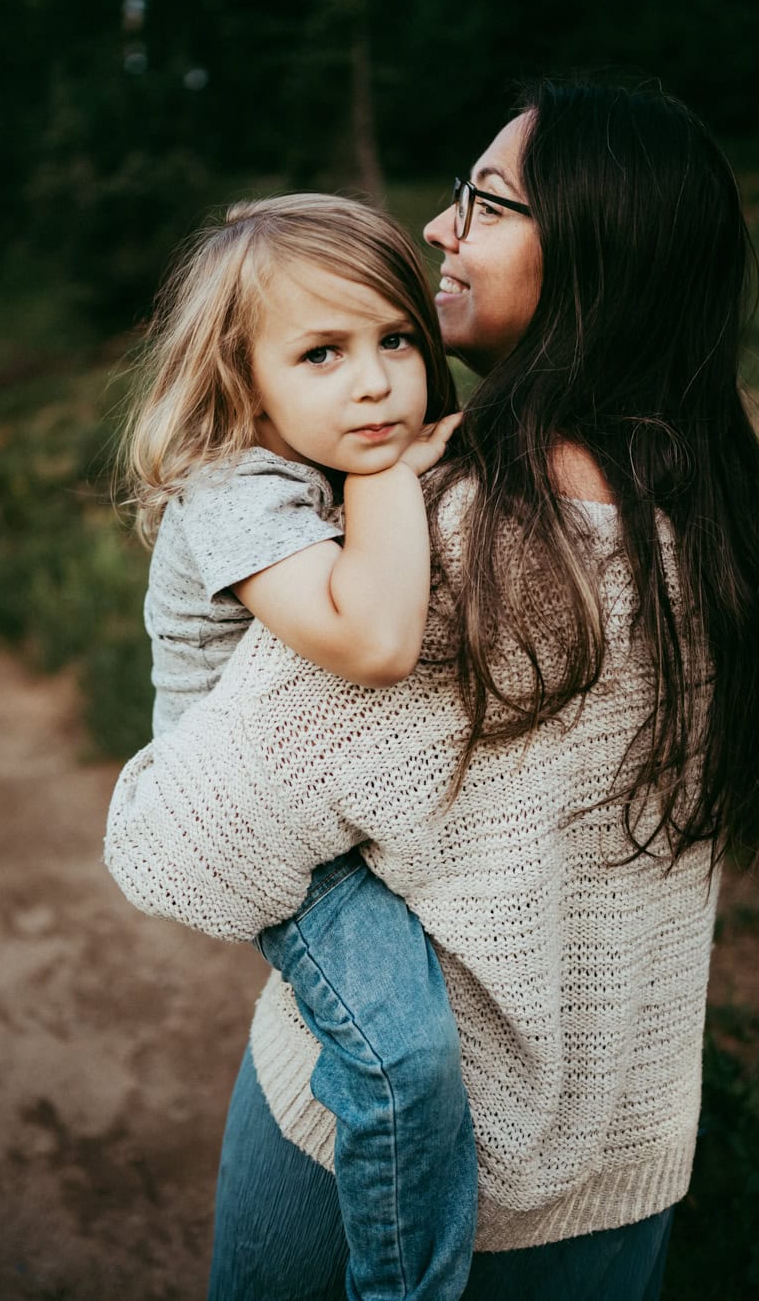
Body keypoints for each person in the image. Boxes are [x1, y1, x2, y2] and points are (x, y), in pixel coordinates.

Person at [105, 80, 759, 1299]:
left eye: (483, 203)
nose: (438, 230)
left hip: (354, 1163)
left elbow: (190, 845)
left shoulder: (455, 528)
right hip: (624, 1148)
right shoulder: (721, 518)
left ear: (595, 243)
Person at [119, 192, 474, 1301]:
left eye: (396, 340)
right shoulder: (234, 489)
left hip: (336, 795)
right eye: (321, 352)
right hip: (256, 826)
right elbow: (371, 637)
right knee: (401, 1057)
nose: (373, 383)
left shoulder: (326, 447)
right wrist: (388, 475)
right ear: (242, 379)